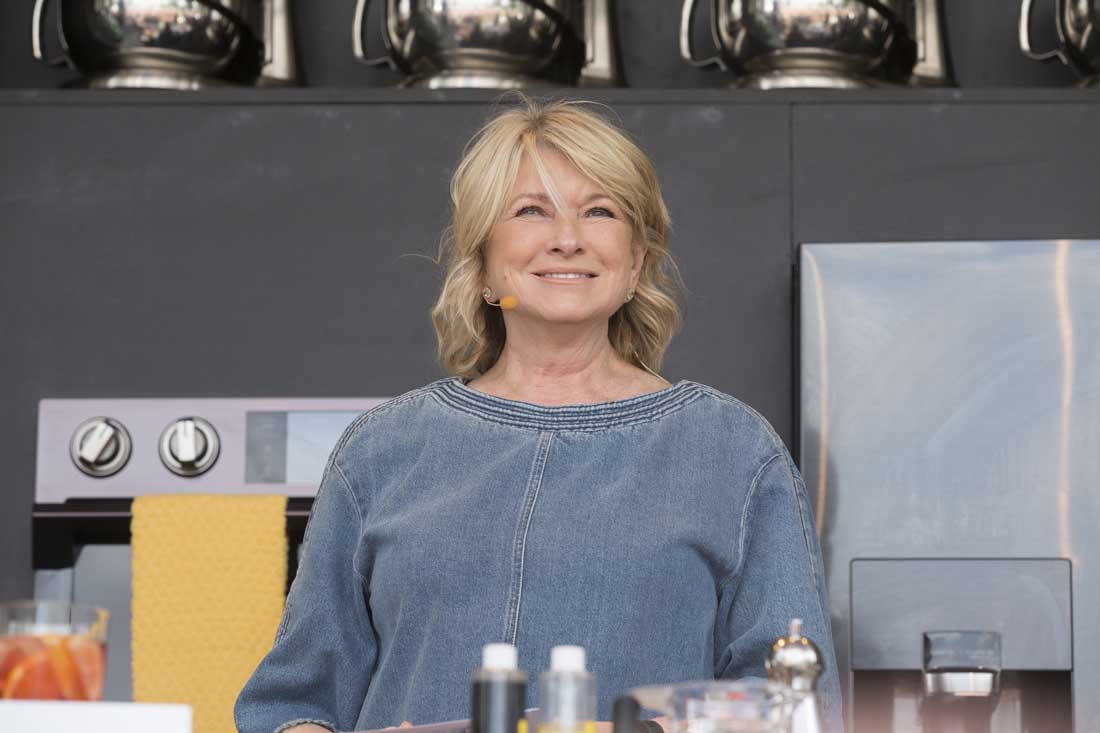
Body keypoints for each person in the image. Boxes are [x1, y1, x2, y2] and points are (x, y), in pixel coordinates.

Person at [235, 97, 842, 733]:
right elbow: (294, 705)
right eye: (531, 210)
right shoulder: (380, 451)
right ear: (482, 264)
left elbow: (795, 706)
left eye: (600, 211)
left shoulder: (734, 452)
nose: (567, 239)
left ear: (635, 263)